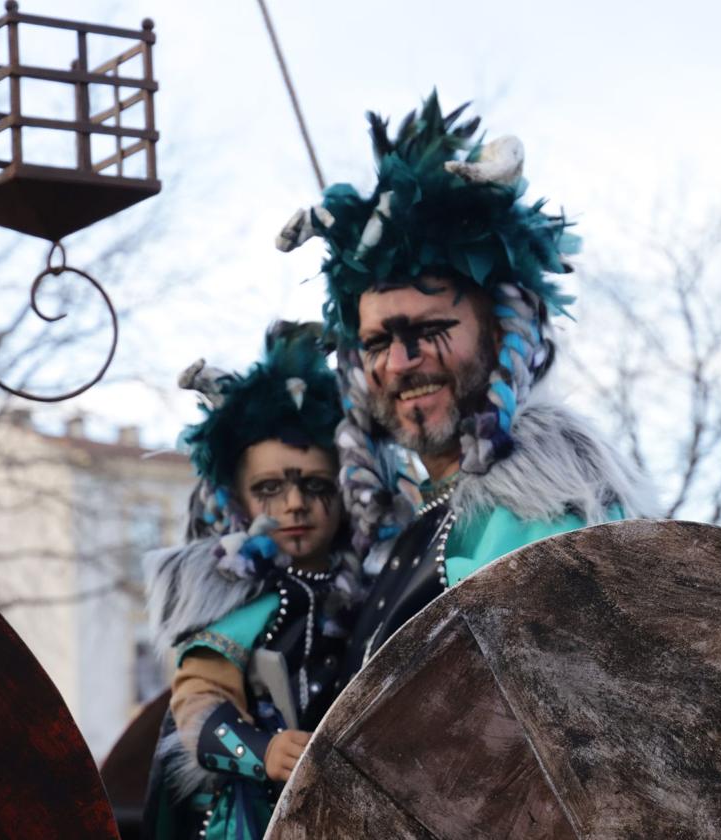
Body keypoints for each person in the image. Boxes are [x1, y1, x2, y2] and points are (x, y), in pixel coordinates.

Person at [275, 93, 657, 684]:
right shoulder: (411, 520)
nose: (401, 362)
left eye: (430, 330)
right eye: (377, 342)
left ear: (503, 334)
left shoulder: (546, 509)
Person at [142, 322, 363, 840]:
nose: (293, 504)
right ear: (238, 499)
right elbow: (197, 701)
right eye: (269, 488)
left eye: (316, 485)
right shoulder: (229, 596)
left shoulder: (378, 586)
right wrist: (261, 750)